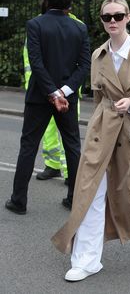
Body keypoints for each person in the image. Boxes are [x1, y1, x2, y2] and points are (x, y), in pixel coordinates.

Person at [51, 0, 130, 282]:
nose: (113, 22)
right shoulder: (98, 56)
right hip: (102, 132)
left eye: (118, 16)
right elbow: (100, 98)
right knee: (90, 193)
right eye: (107, 17)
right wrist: (99, 123)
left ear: (128, 17)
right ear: (102, 21)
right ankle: (86, 260)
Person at [5, 0, 90, 214]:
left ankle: (19, 201)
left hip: (39, 97)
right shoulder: (79, 28)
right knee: (73, 146)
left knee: (28, 147)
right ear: (68, 3)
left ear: (47, 0)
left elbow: (37, 63)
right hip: (68, 99)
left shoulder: (35, 24)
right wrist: (64, 92)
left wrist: (52, 92)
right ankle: (74, 199)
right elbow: (84, 66)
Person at [23, 12, 83, 185]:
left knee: (67, 137)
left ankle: (68, 173)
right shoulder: (38, 23)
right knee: (51, 133)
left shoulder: (73, 24)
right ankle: (53, 165)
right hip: (44, 92)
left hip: (61, 93)